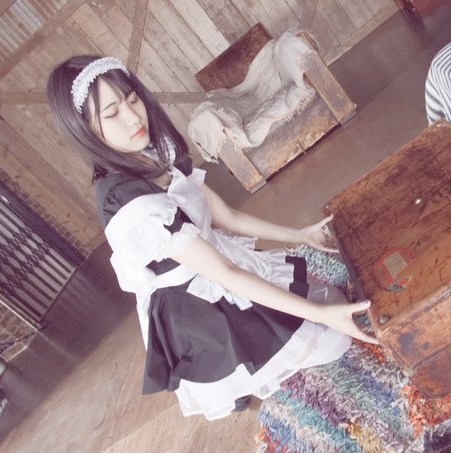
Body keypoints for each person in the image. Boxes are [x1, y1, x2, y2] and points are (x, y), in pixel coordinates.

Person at [46, 55, 377, 420]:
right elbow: (226, 274)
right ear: (86, 131)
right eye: (112, 114)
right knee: (336, 339)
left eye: (132, 99)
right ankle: (243, 381)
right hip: (196, 306)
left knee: (330, 300)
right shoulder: (128, 202)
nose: (133, 118)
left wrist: (297, 234)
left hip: (217, 264)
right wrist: (322, 315)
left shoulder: (150, 150)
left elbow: (226, 216)